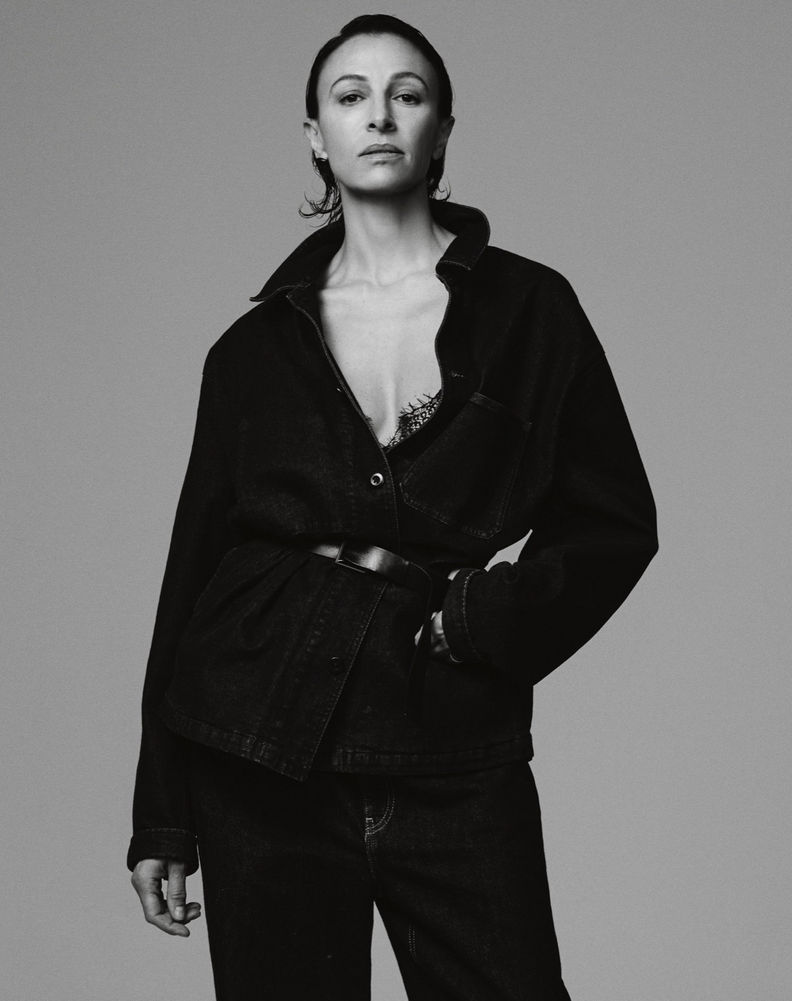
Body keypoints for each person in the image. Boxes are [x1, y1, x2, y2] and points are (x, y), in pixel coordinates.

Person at [128, 14, 658, 1000]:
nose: (378, 115)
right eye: (350, 96)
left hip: (451, 741)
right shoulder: (249, 353)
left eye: (406, 94)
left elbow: (614, 518)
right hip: (259, 753)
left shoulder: (529, 311)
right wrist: (161, 810)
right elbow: (193, 571)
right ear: (315, 135)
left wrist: (483, 618)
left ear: (441, 127)